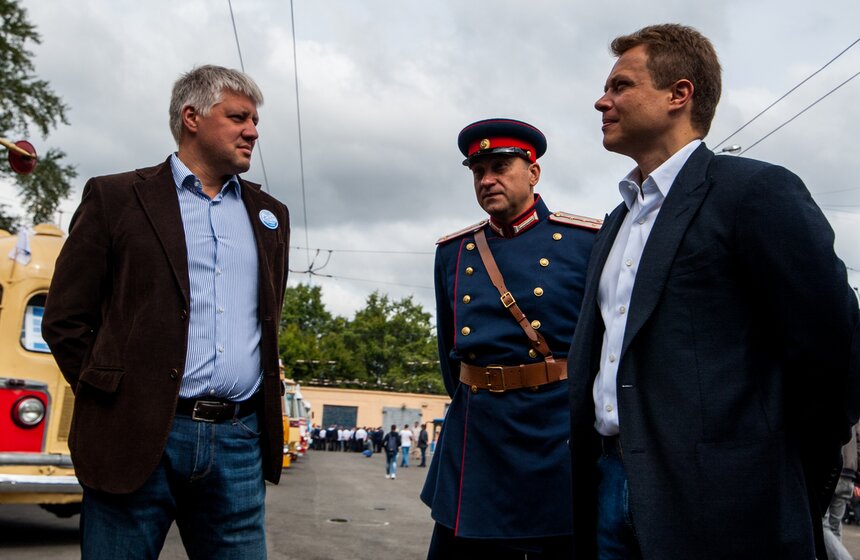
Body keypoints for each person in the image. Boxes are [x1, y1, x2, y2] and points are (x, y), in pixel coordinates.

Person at [567, 23, 860, 559]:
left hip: (723, 502)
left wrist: (771, 463)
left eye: (621, 85)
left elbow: (832, 343)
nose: (601, 100)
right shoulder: (617, 221)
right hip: (609, 485)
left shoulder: (753, 192)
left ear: (680, 93)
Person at [41, 65, 290, 559]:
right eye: (239, 117)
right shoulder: (116, 198)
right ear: (192, 117)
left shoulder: (270, 215)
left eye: (255, 120)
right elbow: (66, 319)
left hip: (238, 442)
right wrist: (110, 397)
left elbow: (267, 321)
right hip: (136, 436)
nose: (253, 131)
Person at [421, 118, 599, 558]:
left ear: (533, 172)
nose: (487, 180)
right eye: (478, 171)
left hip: (554, 435)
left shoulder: (586, 241)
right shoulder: (454, 252)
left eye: (500, 166)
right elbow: (450, 356)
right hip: (479, 435)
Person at [826, 422, 860, 540]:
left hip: (827, 470)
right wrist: (857, 480)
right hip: (847, 475)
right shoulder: (854, 414)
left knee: (822, 526)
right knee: (835, 526)